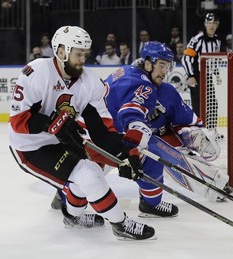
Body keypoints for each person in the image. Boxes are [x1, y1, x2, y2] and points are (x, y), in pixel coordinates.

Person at [8, 25, 155, 240]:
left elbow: (102, 131)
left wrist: (125, 153)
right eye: (78, 53)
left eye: (85, 53)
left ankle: (72, 217)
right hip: (30, 146)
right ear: (60, 51)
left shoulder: (90, 82)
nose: (83, 58)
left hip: (59, 139)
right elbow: (18, 121)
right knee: (88, 174)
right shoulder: (37, 72)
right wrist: (52, 123)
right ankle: (120, 224)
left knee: (88, 172)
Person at [103, 41, 180, 218]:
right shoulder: (145, 86)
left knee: (84, 172)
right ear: (147, 63)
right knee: (152, 159)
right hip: (107, 137)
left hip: (91, 130)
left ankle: (63, 197)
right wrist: (132, 149)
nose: (165, 71)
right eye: (161, 65)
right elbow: (129, 114)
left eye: (167, 66)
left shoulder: (126, 71)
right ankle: (150, 204)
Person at [182, 12, 222, 130]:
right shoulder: (197, 39)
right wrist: (191, 75)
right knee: (198, 104)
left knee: (212, 103)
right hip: (197, 75)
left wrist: (217, 74)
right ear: (205, 24)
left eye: (214, 23)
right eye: (209, 22)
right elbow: (186, 58)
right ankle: (199, 130)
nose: (211, 25)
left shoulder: (217, 41)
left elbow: (214, 59)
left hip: (208, 76)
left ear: (217, 25)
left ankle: (212, 129)